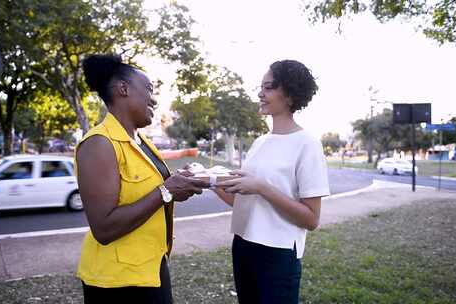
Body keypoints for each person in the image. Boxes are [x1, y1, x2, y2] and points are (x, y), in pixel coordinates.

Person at [75, 54, 210, 304]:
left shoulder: (143, 142)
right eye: (149, 89)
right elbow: (103, 228)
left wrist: (181, 181)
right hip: (117, 282)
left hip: (151, 267)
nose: (155, 99)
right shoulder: (99, 143)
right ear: (123, 89)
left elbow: (155, 190)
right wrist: (166, 191)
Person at [214, 60, 330, 304]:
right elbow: (243, 202)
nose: (260, 93)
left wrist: (262, 187)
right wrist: (210, 181)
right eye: (261, 87)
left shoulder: (307, 144)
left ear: (288, 95)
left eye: (268, 88)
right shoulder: (260, 142)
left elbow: (311, 219)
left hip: (278, 253)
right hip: (243, 245)